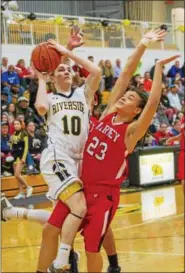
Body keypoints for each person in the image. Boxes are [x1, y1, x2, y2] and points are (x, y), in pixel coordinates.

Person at [31, 29, 170, 273]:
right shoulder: (105, 116)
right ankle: (59, 263)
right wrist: (142, 45)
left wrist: (157, 69)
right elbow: (125, 73)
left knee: (92, 247)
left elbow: (152, 103)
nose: (121, 98)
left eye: (128, 98)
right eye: (123, 95)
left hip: (103, 195)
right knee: (51, 229)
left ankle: (95, 263)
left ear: (135, 111)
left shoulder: (130, 132)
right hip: (80, 180)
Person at [32, 28, 101, 272]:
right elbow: (40, 107)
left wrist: (67, 51)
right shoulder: (50, 97)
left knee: (60, 221)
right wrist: (42, 78)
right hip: (58, 159)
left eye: (69, 69)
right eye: (61, 68)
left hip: (79, 161)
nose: (67, 70)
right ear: (52, 78)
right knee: (79, 208)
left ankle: (65, 259)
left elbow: (96, 71)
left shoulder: (84, 93)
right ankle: (61, 261)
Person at [10, 119, 33, 199]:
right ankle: (21, 192)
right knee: (17, 176)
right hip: (15, 157)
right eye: (14, 124)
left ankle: (28, 187)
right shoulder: (13, 134)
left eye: (17, 124)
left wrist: (23, 158)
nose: (16, 125)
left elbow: (26, 147)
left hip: (21, 156)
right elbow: (12, 146)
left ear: (21, 125)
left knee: (17, 174)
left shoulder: (24, 134)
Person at [166, 115, 184, 195]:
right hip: (183, 152)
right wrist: (173, 139)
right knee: (183, 179)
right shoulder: (183, 118)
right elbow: (182, 135)